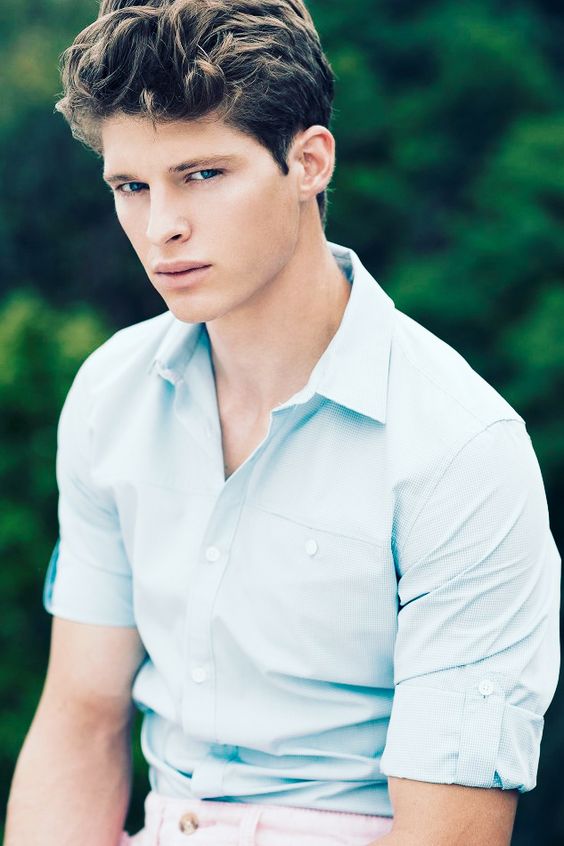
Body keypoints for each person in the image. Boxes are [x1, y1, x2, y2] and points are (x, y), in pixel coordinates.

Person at [5, 0, 560, 844]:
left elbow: (451, 832)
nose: (161, 227)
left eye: (202, 174)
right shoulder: (110, 393)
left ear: (308, 163)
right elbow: (79, 720)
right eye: (131, 187)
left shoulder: (461, 448)